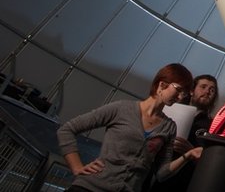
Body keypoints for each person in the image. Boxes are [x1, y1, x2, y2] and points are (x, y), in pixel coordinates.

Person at [57, 63, 203, 192]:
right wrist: (76, 167)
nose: (180, 97)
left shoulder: (169, 127)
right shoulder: (121, 108)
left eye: (184, 93)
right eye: (178, 90)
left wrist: (187, 156)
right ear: (162, 84)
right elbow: (67, 130)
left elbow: (161, 173)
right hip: (89, 188)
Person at [150, 74, 219, 192]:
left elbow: (211, 160)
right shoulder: (169, 111)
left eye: (212, 90)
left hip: (184, 182)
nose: (208, 91)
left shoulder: (214, 125)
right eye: (203, 87)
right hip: (154, 174)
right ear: (192, 91)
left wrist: (191, 151)